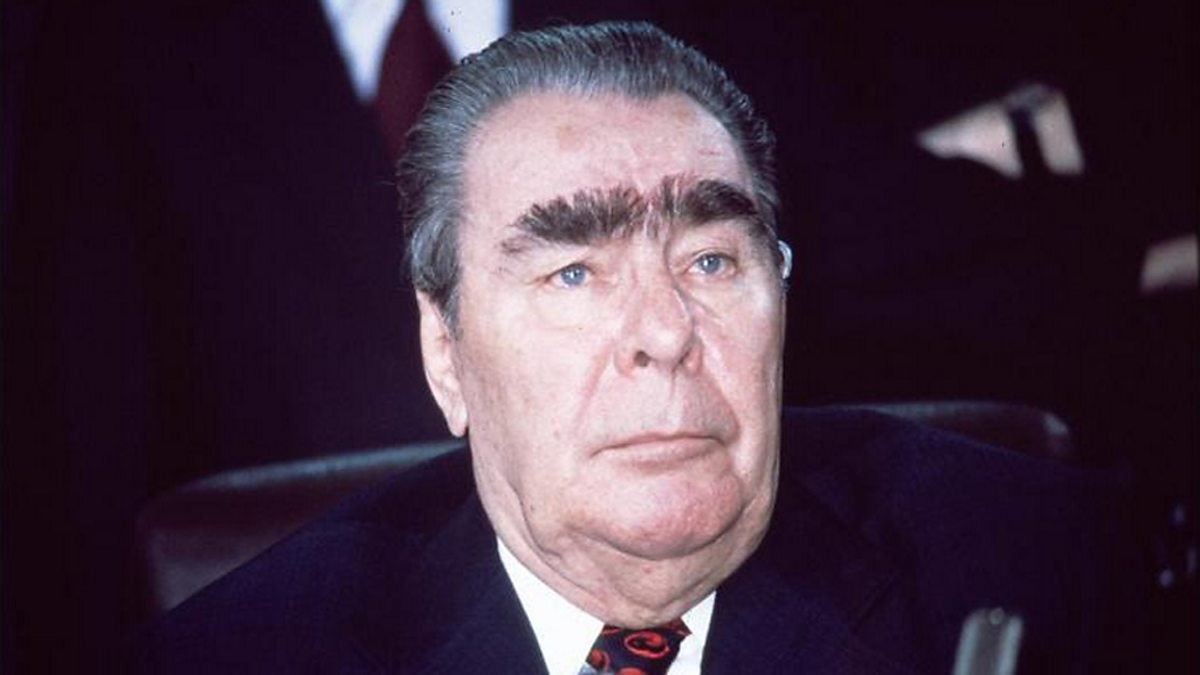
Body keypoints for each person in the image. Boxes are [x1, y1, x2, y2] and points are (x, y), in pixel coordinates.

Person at [138, 21, 1139, 674]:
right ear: (446, 353)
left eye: (711, 261)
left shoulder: (1059, 578)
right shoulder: (246, 655)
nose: (664, 332)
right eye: (575, 274)